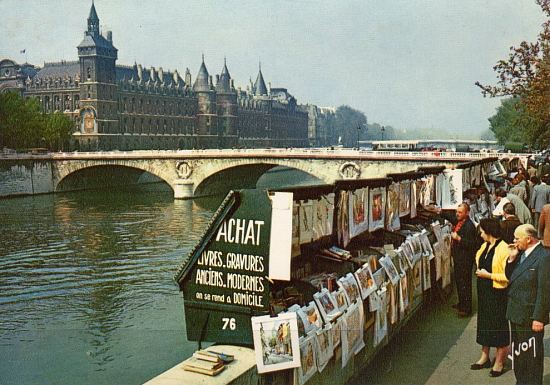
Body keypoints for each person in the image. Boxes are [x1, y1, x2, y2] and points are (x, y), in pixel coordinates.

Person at [506, 224, 550, 385]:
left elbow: (544, 291)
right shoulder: (520, 253)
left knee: (531, 356)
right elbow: (510, 278)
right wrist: (511, 259)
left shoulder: (544, 257)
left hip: (530, 316)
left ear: (528, 239)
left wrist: (539, 318)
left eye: (517, 238)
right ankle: (521, 381)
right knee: (519, 354)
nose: (514, 241)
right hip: (516, 313)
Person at [471, 219, 509, 377]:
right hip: (485, 292)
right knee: (485, 322)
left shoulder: (504, 248)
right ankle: (484, 356)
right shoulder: (485, 246)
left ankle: (499, 361)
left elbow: (508, 276)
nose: (480, 234)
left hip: (497, 292)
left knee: (498, 324)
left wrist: (488, 275)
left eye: (482, 231)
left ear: (489, 231)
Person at [449, 203, 480, 317]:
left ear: (467, 213)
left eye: (460, 212)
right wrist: (438, 212)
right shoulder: (460, 222)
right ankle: (462, 303)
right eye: (457, 212)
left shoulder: (469, 226)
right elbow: (451, 218)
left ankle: (466, 308)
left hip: (465, 260)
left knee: (465, 283)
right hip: (459, 258)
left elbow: (472, 244)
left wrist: (459, 239)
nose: (457, 214)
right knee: (459, 281)